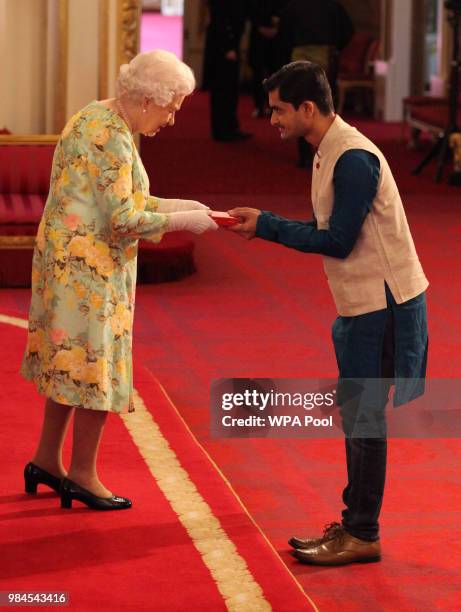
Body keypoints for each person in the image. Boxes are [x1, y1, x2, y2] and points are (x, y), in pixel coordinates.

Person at [228, 61, 428, 565]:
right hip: (362, 304)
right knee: (356, 415)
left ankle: (362, 533)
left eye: (277, 110)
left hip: (383, 306)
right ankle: (356, 525)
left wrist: (267, 225)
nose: (271, 119)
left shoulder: (352, 158)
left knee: (363, 419)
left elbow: (337, 241)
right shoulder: (328, 149)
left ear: (307, 109)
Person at [21, 50, 218, 511]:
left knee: (68, 364)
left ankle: (47, 460)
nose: (172, 119)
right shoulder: (113, 137)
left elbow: (131, 198)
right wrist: (186, 222)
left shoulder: (97, 115)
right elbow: (124, 218)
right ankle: (84, 475)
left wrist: (184, 207)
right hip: (89, 272)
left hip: (67, 263)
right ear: (149, 98)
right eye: (172, 107)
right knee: (93, 367)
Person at [277, 0, 354, 167]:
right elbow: (348, 31)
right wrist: (335, 46)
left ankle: (305, 155)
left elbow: (283, 35)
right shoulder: (332, 5)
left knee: (301, 105)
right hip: (325, 55)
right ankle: (327, 152)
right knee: (324, 107)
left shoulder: (294, 5)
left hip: (299, 54)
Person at [202, 0, 252, 141]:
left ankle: (229, 127)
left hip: (227, 45)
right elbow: (221, 19)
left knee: (229, 90)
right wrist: (228, 46)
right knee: (223, 90)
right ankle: (223, 130)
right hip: (223, 49)